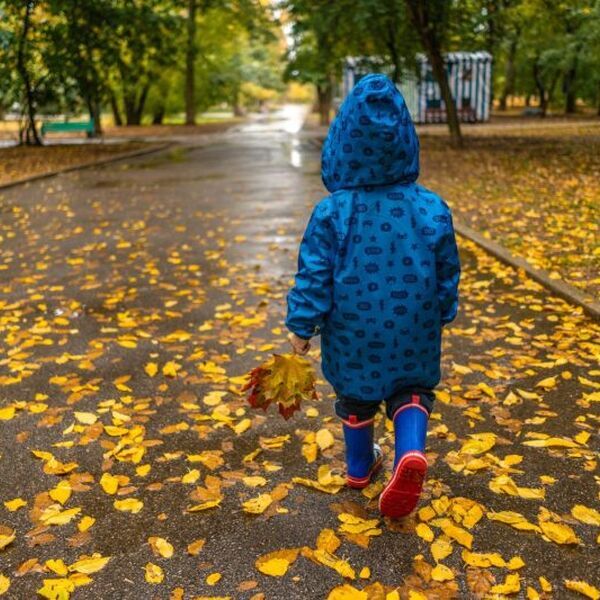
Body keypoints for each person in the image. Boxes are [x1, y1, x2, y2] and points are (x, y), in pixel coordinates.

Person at [285, 73, 460, 518]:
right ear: (406, 141)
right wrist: (443, 310)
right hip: (413, 325)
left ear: (342, 143)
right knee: (413, 391)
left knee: (356, 396)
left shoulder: (332, 212)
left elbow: (315, 273)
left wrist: (301, 325)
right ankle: (409, 454)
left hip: (352, 330)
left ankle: (361, 467)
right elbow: (446, 268)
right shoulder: (431, 207)